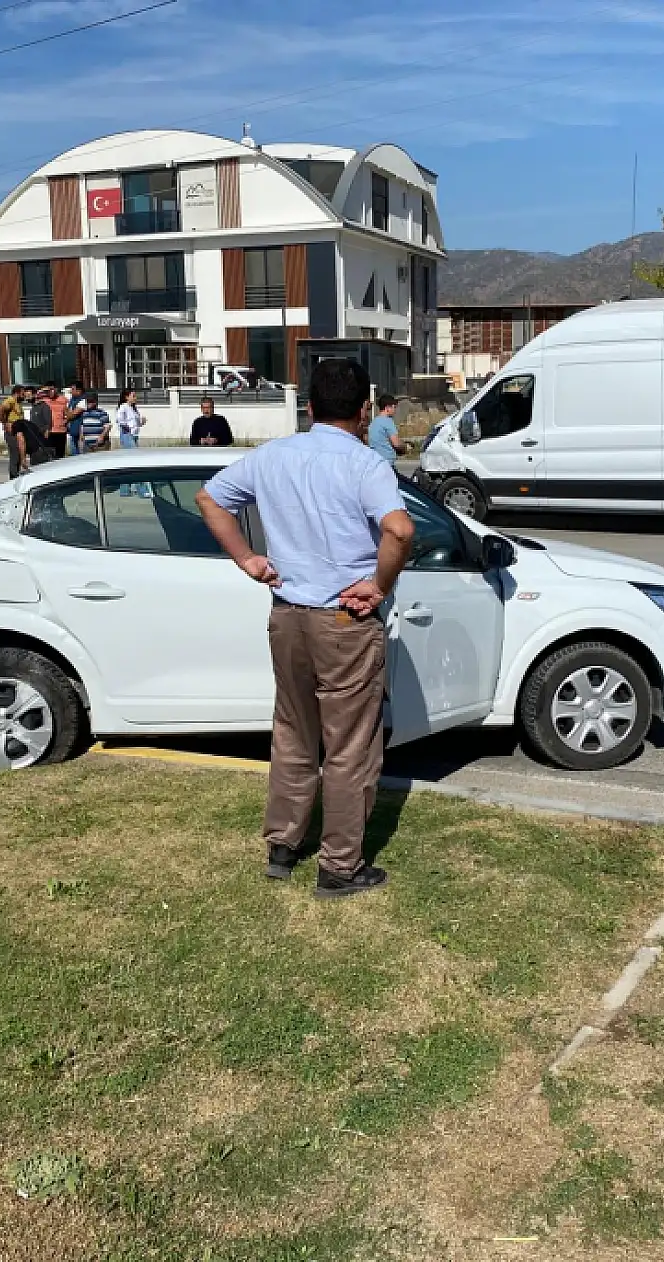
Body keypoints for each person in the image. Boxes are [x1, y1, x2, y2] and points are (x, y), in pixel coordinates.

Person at [196, 358, 415, 900]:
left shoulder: (272, 455)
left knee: (293, 730)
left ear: (309, 407)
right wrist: (379, 585)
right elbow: (400, 529)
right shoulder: (367, 466)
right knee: (349, 745)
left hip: (288, 615)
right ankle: (339, 866)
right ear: (364, 413)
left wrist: (248, 558)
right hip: (344, 619)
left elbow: (209, 498)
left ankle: (283, 845)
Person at [11, 390, 53, 468]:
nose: (27, 398)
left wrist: (44, 442)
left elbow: (48, 426)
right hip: (35, 447)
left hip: (41, 446)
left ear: (35, 395)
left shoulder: (44, 406)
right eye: (26, 396)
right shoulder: (33, 408)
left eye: (28, 395)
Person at [0, 386, 27, 477]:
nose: (24, 395)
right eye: (22, 393)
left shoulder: (17, 403)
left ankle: (16, 475)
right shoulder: (10, 401)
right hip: (12, 433)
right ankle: (13, 477)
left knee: (19, 455)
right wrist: (5, 423)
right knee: (15, 455)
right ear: (17, 393)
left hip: (18, 432)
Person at [367, 393, 405, 464]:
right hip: (387, 461)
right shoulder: (388, 421)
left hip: (375, 460)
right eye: (394, 407)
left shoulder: (373, 422)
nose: (395, 410)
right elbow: (396, 443)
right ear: (387, 408)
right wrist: (404, 446)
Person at [32, 386, 68, 461]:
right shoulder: (43, 400)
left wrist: (66, 420)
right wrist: (44, 390)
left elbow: (67, 412)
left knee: (60, 455)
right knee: (50, 455)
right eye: (49, 390)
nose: (51, 391)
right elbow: (35, 395)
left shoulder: (63, 399)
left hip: (61, 431)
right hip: (50, 431)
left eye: (53, 389)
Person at [65, 381, 87, 456]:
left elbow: (72, 415)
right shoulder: (72, 399)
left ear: (79, 390)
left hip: (80, 432)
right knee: (73, 453)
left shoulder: (83, 401)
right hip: (73, 431)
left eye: (73, 389)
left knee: (79, 455)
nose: (71, 391)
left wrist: (65, 411)